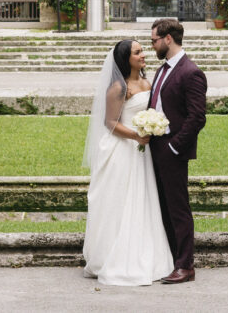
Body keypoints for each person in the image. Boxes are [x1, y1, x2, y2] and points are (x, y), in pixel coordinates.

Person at [82, 39, 173, 286]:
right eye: (138, 52)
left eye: (143, 50)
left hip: (142, 151)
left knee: (143, 201)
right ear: (126, 58)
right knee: (123, 202)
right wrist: (136, 135)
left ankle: (147, 253)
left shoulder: (146, 81)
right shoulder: (118, 87)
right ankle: (115, 255)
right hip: (124, 150)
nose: (144, 54)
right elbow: (110, 122)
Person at [147, 18, 208, 284]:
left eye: (154, 41)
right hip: (155, 147)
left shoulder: (190, 72)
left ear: (168, 38)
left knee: (178, 208)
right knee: (162, 206)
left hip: (172, 150)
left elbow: (197, 118)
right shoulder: (162, 70)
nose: (152, 46)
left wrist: (173, 146)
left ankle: (186, 265)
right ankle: (171, 260)